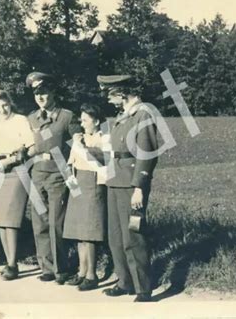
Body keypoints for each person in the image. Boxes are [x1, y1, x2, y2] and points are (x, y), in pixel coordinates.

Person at [97, 75, 158, 302]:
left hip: (131, 183)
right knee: (116, 237)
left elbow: (147, 154)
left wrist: (139, 187)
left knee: (133, 235)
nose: (108, 98)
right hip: (115, 180)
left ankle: (143, 287)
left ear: (122, 93)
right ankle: (125, 281)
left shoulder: (142, 115)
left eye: (110, 93)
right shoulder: (123, 116)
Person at [26, 72, 81, 285]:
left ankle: (61, 269)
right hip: (37, 174)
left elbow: (76, 145)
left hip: (58, 174)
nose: (41, 97)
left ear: (53, 92)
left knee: (56, 223)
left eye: (44, 92)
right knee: (39, 222)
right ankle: (46, 267)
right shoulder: (31, 118)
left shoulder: (66, 116)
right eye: (36, 93)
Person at [0, 89, 34, 280]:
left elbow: (29, 147)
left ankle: (13, 265)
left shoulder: (20, 120)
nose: (2, 110)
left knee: (10, 219)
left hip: (16, 170)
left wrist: (9, 161)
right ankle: (8, 261)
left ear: (10, 103)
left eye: (4, 105)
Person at [63, 103, 109, 291]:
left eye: (85, 120)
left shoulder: (104, 138)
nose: (82, 124)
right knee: (78, 232)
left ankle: (92, 274)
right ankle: (82, 272)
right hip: (78, 181)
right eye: (81, 120)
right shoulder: (81, 138)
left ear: (96, 121)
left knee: (89, 232)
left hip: (93, 182)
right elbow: (71, 162)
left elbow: (103, 160)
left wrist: (81, 145)